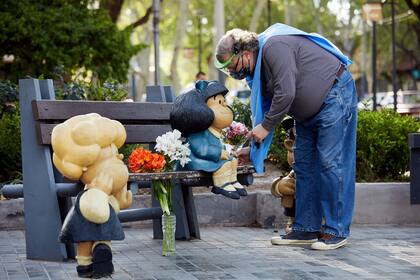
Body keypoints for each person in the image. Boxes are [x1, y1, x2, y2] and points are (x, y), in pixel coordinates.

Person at [214, 23, 357, 250]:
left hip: (334, 95)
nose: (233, 73)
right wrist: (252, 150)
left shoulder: (274, 47)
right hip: (307, 113)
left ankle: (336, 230)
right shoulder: (258, 69)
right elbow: (265, 111)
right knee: (304, 165)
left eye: (232, 66)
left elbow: (286, 92)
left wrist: (266, 126)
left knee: (331, 163)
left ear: (246, 53)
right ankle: (306, 228)